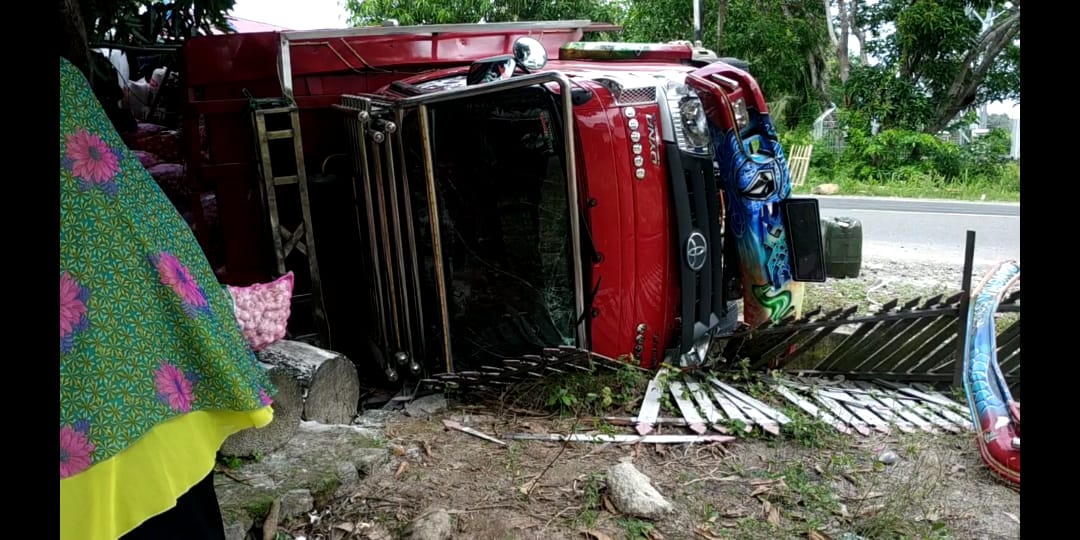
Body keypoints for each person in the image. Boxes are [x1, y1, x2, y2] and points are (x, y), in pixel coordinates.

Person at [59, 55, 275, 540]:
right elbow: (151, 227)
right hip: (144, 380)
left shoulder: (65, 92)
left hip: (122, 389)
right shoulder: (67, 89)